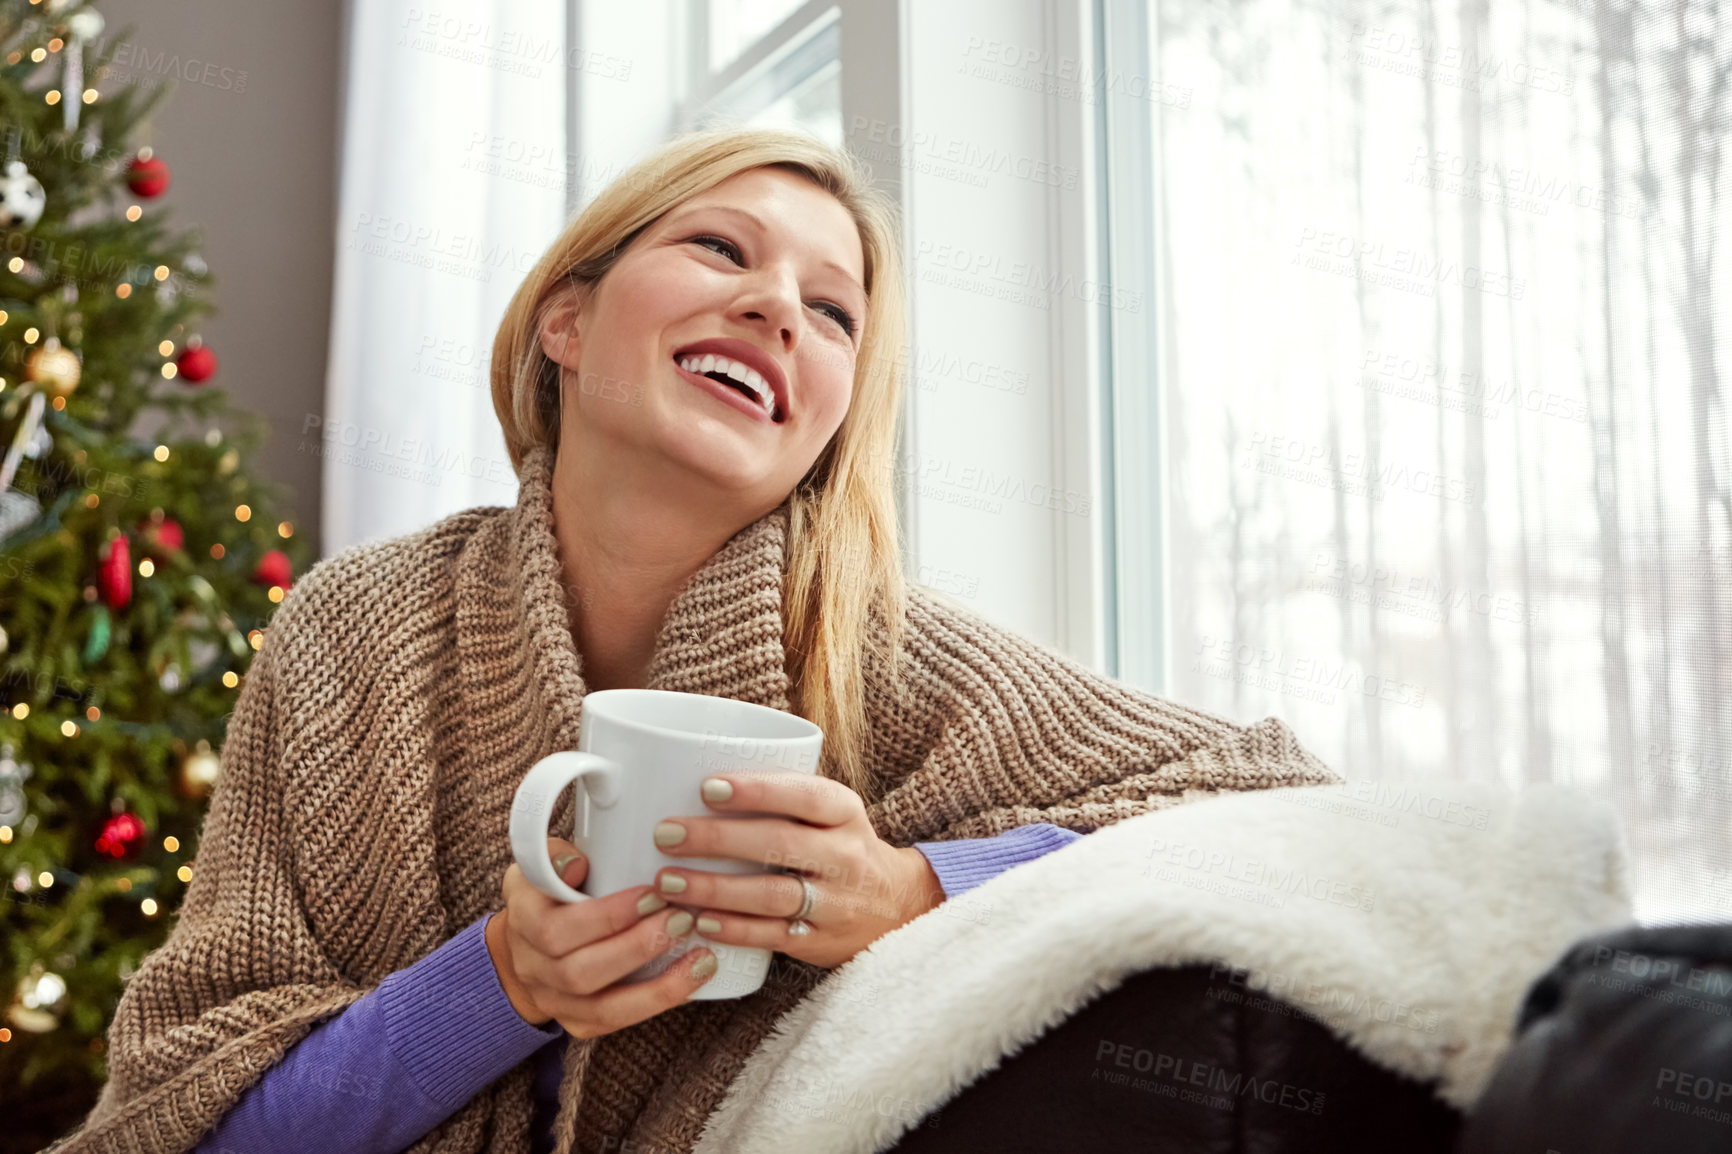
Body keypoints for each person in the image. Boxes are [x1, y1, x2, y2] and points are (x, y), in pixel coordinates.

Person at [48, 127, 1337, 1154]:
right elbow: (201, 1126)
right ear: (567, 319)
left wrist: (920, 894)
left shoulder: (887, 656)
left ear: (832, 419)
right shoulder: (357, 632)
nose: (782, 307)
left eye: (835, 313)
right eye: (723, 247)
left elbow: (1284, 811)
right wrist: (502, 983)